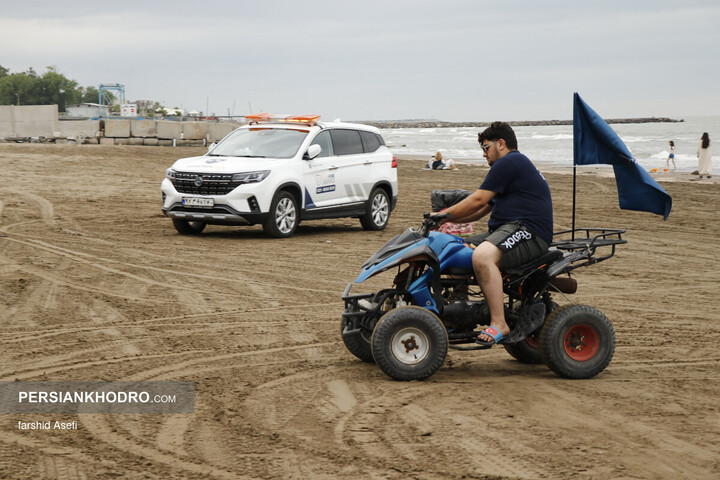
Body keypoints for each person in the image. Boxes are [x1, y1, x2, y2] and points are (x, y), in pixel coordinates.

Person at [434, 122, 553, 347]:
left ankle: (499, 322)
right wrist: (441, 220)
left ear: (501, 144)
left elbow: (478, 199)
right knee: (453, 250)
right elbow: (478, 211)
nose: (483, 154)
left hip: (530, 231)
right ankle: (459, 317)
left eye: (486, 147)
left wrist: (443, 215)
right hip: (507, 230)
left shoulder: (511, 161)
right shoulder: (508, 169)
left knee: (482, 256)